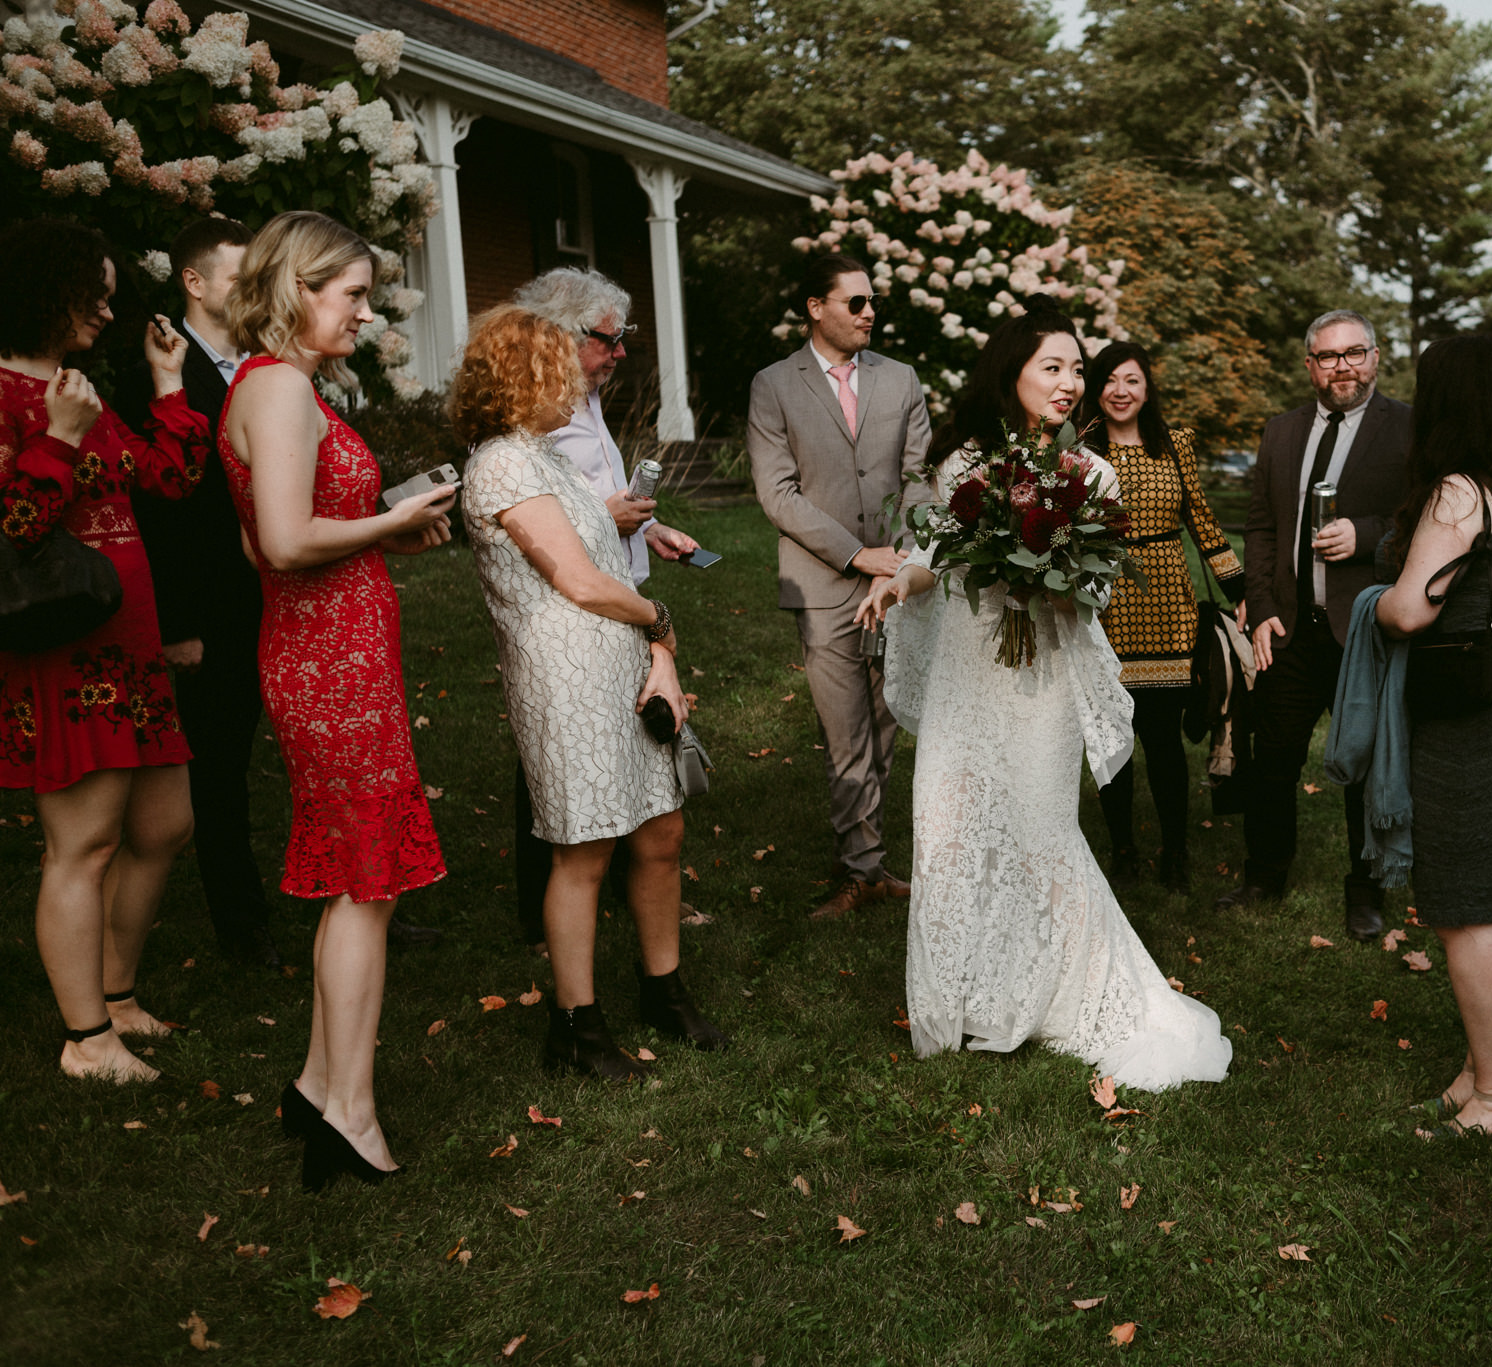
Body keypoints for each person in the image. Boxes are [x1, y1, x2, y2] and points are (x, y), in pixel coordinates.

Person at [857, 302, 1232, 1092]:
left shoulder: (1091, 473)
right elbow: (937, 554)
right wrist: (899, 580)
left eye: (1076, 370)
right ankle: (958, 1000)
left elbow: (1092, 588)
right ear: (1013, 373)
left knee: (1036, 829)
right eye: (1053, 368)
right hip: (970, 674)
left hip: (1041, 683)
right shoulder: (964, 463)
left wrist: (1041, 569)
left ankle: (1053, 990)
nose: (1070, 384)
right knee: (950, 826)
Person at [215, 211, 453, 1191]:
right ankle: (348, 1111)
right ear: (296, 287)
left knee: (364, 876)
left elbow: (259, 538)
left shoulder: (272, 387)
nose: (364, 311)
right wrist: (391, 516)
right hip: (329, 664)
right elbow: (277, 541)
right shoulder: (276, 389)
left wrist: (376, 535)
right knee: (368, 882)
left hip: (332, 647)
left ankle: (318, 1084)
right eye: (349, 293)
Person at [454, 305, 727, 1077]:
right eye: (560, 368)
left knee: (660, 830)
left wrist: (656, 654)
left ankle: (663, 989)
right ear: (520, 376)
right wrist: (659, 616)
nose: (576, 380)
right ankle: (577, 1027)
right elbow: (573, 578)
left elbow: (604, 558)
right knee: (584, 848)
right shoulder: (501, 462)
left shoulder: (550, 457)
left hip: (620, 659)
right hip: (562, 678)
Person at [1, 218, 209, 1083]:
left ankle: (117, 994)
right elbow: (15, 526)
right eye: (96, 290)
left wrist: (167, 385)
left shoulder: (75, 384)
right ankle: (86, 1038)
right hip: (64, 651)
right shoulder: (14, 395)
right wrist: (56, 436)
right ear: (45, 286)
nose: (107, 306)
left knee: (165, 824)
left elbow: (168, 476)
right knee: (81, 846)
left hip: (130, 647)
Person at [1370, 334, 1492, 1141]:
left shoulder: (1455, 490)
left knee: (1464, 908)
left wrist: (1372, 604)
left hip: (1468, 720)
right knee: (1474, 897)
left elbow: (1412, 608)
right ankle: (1480, 1064)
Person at [504, 267, 699, 949]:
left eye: (621, 342)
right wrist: (604, 515)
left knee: (627, 748)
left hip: (619, 585)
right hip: (568, 612)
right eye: (607, 341)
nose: (619, 355)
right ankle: (546, 909)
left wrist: (647, 527)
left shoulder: (585, 401)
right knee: (556, 764)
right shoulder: (525, 416)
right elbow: (531, 512)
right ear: (560, 334)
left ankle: (626, 883)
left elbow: (600, 496)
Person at [105, 217, 278, 970]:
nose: (255, 293)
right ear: (194, 282)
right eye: (241, 279)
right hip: (213, 608)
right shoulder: (150, 371)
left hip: (290, 595)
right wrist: (181, 626)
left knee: (316, 760)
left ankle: (361, 896)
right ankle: (244, 930)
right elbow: (156, 515)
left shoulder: (271, 365)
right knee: (219, 773)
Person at [749, 252, 932, 920]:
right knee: (845, 731)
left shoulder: (902, 379)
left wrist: (907, 558)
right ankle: (862, 869)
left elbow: (918, 476)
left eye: (872, 301)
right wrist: (861, 556)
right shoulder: (773, 385)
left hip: (895, 583)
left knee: (884, 730)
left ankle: (865, 864)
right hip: (822, 584)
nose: (868, 313)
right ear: (815, 308)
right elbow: (777, 494)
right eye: (855, 302)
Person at [1222, 309, 1411, 939]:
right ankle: (1263, 876)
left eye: (1355, 353)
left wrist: (1367, 537)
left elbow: (1426, 523)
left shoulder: (1407, 429)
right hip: (1291, 628)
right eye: (1328, 357)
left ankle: (1365, 893)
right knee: (1272, 758)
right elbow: (1260, 527)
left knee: (1363, 763)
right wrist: (1264, 609)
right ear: (1309, 365)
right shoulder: (1281, 432)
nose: (1343, 368)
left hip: (1365, 630)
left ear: (1376, 357)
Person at [1074, 341, 1244, 891]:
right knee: (1112, 744)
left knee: (1165, 741)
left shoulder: (1175, 444)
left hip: (1168, 605)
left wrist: (1238, 589)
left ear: (1147, 388)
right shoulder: (1078, 450)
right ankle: (1123, 849)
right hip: (1103, 608)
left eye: (1133, 381)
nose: (1121, 392)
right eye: (1110, 381)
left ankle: (1175, 852)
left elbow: (1203, 521)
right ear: (1096, 389)